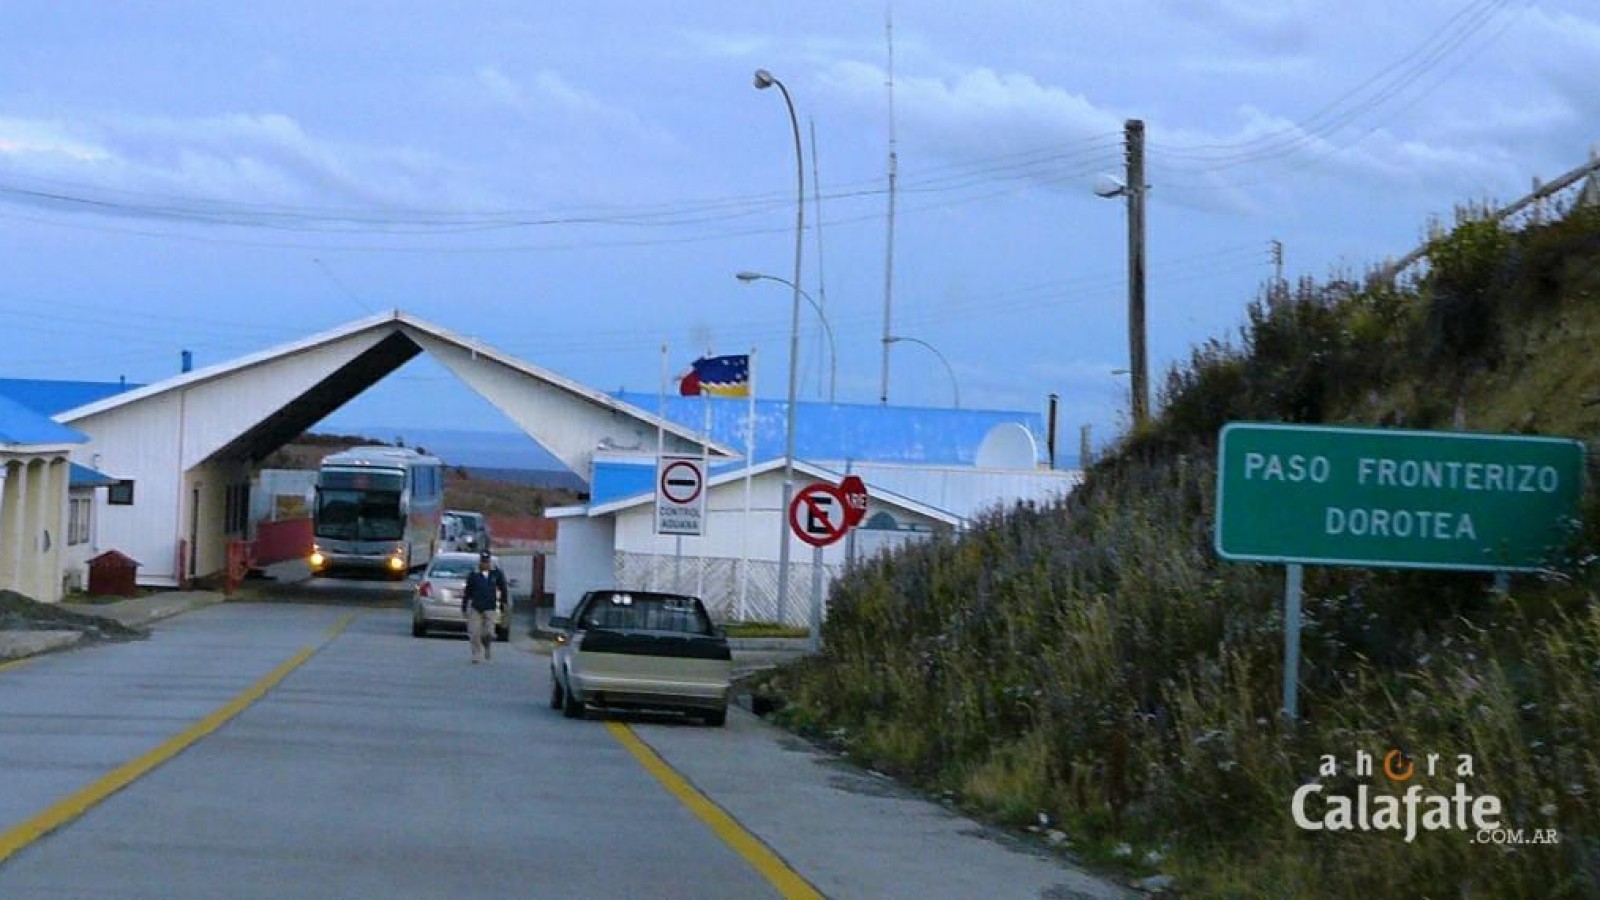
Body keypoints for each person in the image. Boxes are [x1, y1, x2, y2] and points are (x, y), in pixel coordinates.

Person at [460, 551, 508, 663]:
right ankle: (476, 654)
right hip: (476, 607)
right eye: (483, 562)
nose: (485, 564)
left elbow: (503, 589)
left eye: (487, 562)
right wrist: (464, 606)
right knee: (474, 632)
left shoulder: (496, 574)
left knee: (489, 632)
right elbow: (467, 592)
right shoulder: (474, 574)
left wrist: (503, 604)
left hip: (490, 607)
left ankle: (487, 646)